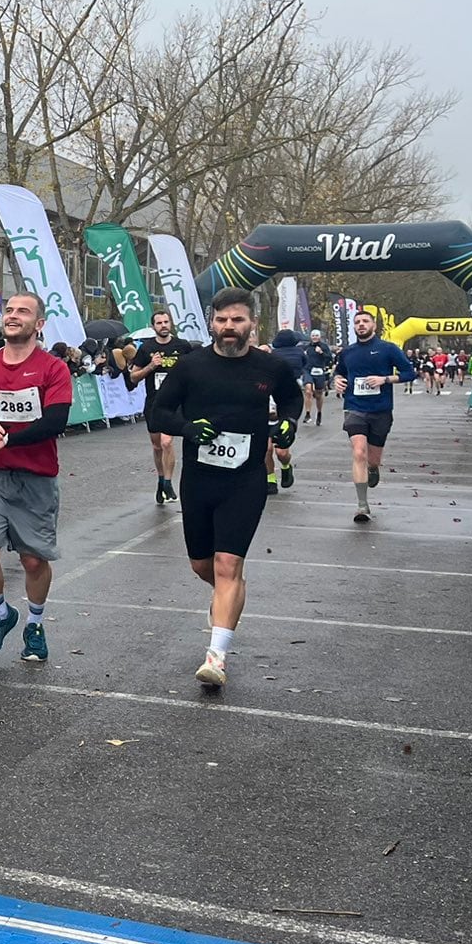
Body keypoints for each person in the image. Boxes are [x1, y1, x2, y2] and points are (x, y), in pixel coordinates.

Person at [148, 287, 302, 689]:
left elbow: (292, 400)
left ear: (252, 323)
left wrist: (289, 423)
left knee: (227, 565)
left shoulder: (271, 368)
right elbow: (157, 412)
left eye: (237, 320)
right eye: (221, 320)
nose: (228, 328)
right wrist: (186, 428)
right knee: (204, 566)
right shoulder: (190, 367)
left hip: (246, 480)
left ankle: (216, 657)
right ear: (211, 323)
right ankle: (226, 602)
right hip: (200, 480)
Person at [0, 291, 72, 664]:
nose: (13, 316)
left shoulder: (53, 368)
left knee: (34, 562)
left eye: (23, 311)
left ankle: (35, 623)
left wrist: (4, 442)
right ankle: (0, 613)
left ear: (39, 324)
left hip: (36, 479)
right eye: (9, 310)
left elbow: (55, 422)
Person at [333, 309, 416, 524]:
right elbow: (339, 372)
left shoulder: (387, 349)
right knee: (359, 452)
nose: (361, 324)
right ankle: (362, 505)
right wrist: (338, 380)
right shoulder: (347, 352)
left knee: (373, 459)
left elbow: (409, 372)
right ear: (354, 327)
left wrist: (385, 379)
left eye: (365, 321)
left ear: (373, 326)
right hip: (354, 407)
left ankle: (373, 468)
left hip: (380, 410)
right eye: (357, 322)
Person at [127, 311, 194, 505]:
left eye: (166, 322)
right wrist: (151, 366)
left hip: (176, 403)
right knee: (157, 446)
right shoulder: (147, 348)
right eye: (159, 323)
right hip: (154, 402)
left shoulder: (182, 346)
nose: (163, 325)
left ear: (170, 324)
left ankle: (168, 482)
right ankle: (160, 479)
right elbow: (133, 377)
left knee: (166, 443)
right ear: (153, 326)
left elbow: (194, 371)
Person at [268, 328, 311, 493]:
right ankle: (270, 479)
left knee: (281, 452)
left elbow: (304, 366)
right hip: (265, 408)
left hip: (284, 405)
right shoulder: (271, 356)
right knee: (266, 449)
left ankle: (286, 466)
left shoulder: (297, 353)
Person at [301, 329, 334, 425]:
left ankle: (319, 413)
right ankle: (307, 414)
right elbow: (301, 358)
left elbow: (330, 359)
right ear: (311, 337)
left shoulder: (324, 346)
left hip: (319, 371)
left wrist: (321, 353)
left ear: (319, 337)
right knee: (308, 391)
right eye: (313, 335)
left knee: (319, 395)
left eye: (316, 335)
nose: (314, 337)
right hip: (308, 370)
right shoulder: (306, 347)